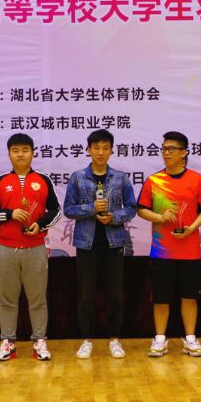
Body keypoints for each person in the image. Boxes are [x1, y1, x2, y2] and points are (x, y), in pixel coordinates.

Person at [0, 133, 61, 362]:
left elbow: (56, 211)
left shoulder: (43, 180)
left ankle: (39, 341)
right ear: (9, 154)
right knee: (7, 299)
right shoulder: (1, 182)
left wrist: (41, 225)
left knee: (38, 299)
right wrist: (9, 214)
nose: (20, 155)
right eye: (15, 151)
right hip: (6, 249)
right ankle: (8, 342)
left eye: (25, 150)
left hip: (35, 248)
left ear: (33, 153)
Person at [63, 129, 138, 359]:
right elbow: (68, 209)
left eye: (105, 148)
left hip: (114, 243)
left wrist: (114, 217)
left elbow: (131, 208)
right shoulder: (77, 177)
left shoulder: (120, 178)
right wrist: (91, 209)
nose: (100, 152)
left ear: (112, 150)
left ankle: (115, 339)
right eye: (96, 148)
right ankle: (86, 340)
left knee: (115, 294)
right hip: (86, 243)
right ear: (88, 150)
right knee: (86, 295)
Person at [137, 132, 201, 358]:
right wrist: (160, 218)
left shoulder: (196, 179)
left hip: (190, 250)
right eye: (164, 148)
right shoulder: (154, 180)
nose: (166, 153)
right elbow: (141, 210)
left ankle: (190, 338)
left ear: (184, 152)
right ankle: (160, 339)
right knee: (161, 298)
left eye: (171, 149)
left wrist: (191, 228)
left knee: (190, 297)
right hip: (162, 251)